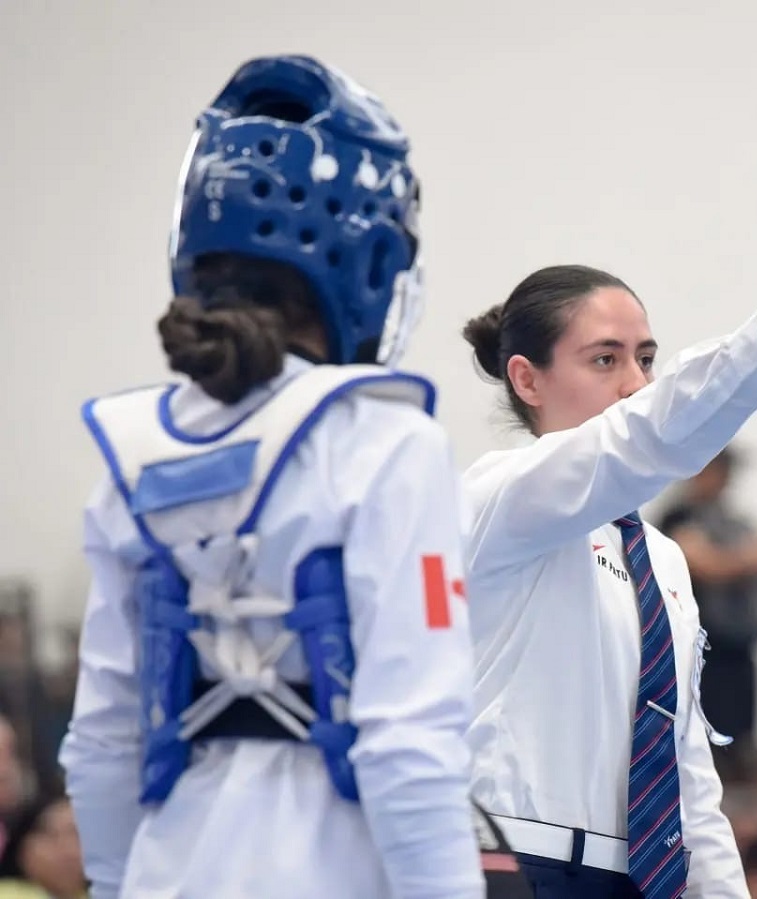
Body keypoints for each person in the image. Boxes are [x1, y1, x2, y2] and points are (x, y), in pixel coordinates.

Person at [58, 55, 485, 899]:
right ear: (371, 257)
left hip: (166, 873)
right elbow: (411, 741)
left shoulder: (132, 454)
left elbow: (101, 741)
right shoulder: (385, 441)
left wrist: (113, 884)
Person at [460, 211, 757, 898]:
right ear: (527, 379)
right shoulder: (499, 499)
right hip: (511, 865)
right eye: (605, 358)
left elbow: (684, 771)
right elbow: (641, 438)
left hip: (636, 876)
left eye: (645, 358)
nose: (635, 383)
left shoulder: (660, 559)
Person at [657, 447, 757, 749]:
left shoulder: (733, 522)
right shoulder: (680, 516)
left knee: (739, 742)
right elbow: (708, 565)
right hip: (702, 652)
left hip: (738, 652)